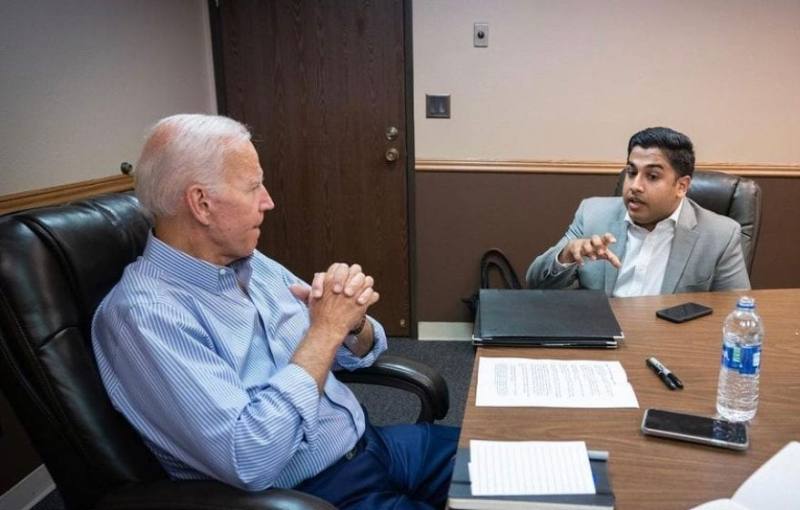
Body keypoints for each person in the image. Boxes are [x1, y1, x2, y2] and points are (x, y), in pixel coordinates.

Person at [92, 114, 458, 510]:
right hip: (315, 494)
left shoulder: (252, 263)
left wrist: (353, 323)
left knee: (516, 468)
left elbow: (361, 349)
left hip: (373, 445)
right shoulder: (145, 316)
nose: (268, 201)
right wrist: (325, 329)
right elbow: (251, 456)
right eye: (253, 187)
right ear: (201, 203)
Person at [526, 127, 751, 296]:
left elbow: (734, 314)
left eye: (652, 176)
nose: (635, 185)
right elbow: (535, 283)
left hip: (672, 347)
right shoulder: (593, 214)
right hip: (602, 342)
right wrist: (566, 255)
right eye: (632, 172)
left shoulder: (720, 235)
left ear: (681, 186)